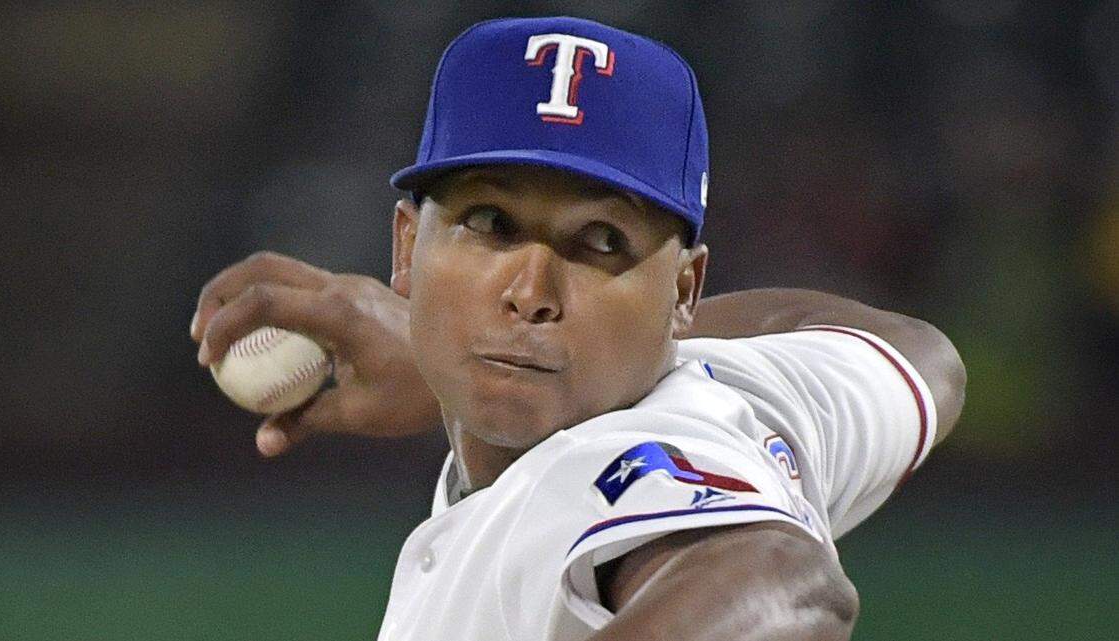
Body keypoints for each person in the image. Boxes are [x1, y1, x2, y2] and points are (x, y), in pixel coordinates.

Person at [191, 16, 965, 641]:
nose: (530, 292)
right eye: (490, 222)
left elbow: (779, 581)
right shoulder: (749, 395)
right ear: (407, 248)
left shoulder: (596, 465)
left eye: (600, 242)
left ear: (684, 290)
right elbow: (924, 355)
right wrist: (456, 369)